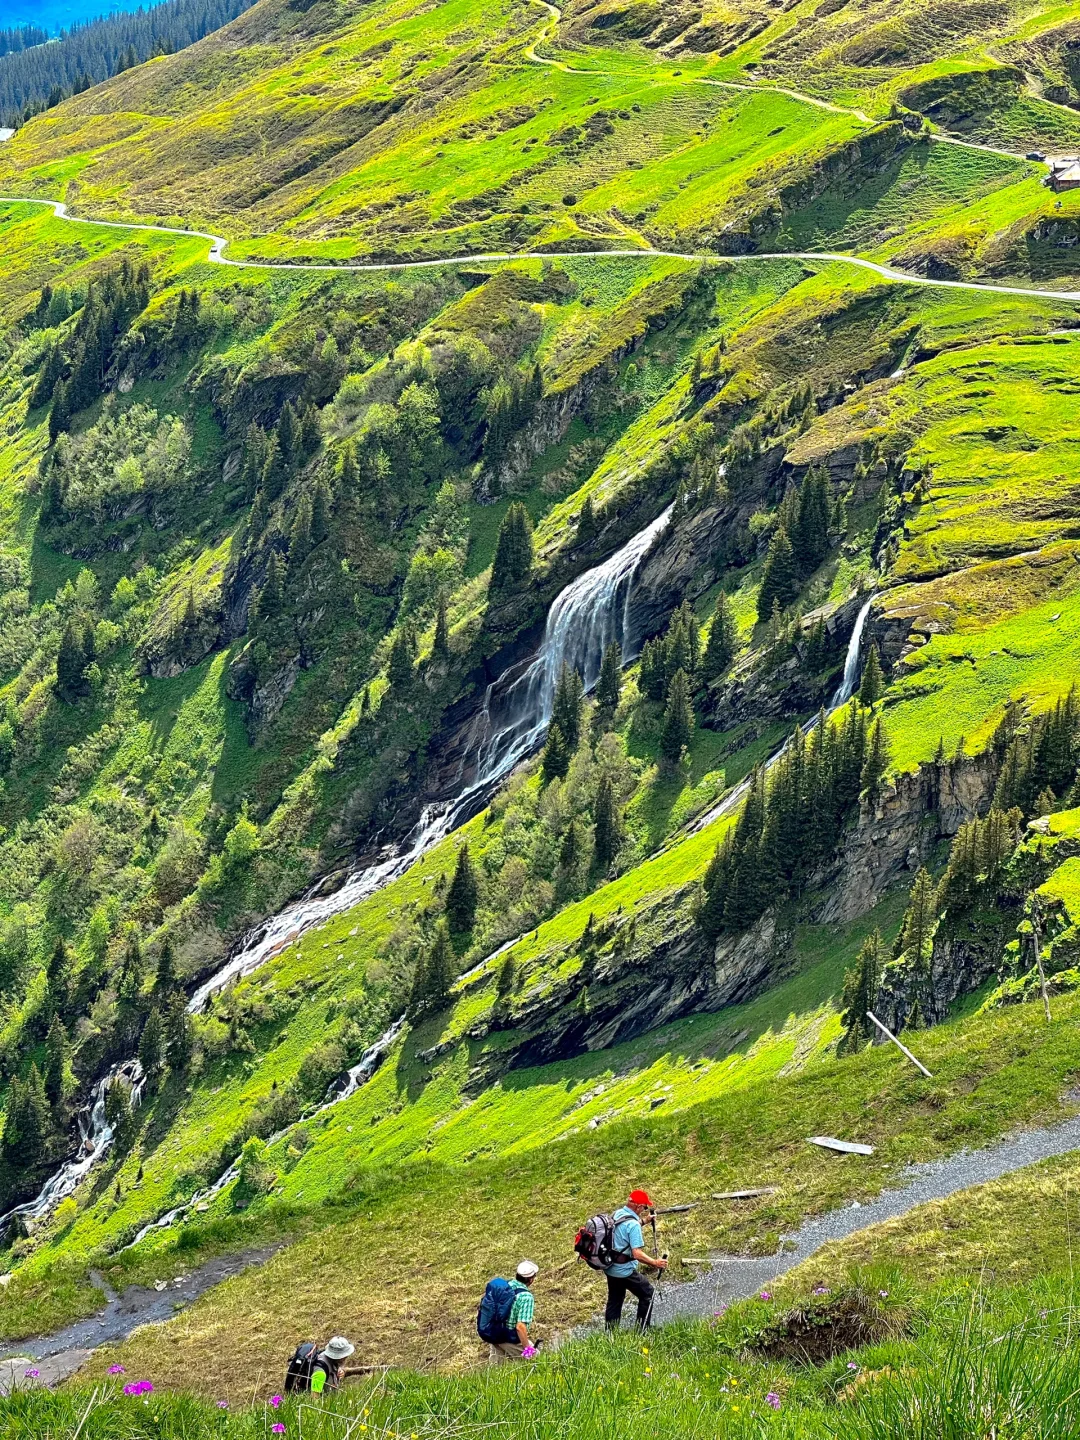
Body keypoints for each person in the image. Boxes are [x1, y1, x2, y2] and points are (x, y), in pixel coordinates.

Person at [604, 1189, 667, 1331]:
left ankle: (610, 1335)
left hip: (610, 1267)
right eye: (644, 1207)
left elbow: (625, 1227)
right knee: (647, 1292)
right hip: (624, 1271)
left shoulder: (618, 1213)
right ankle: (642, 1330)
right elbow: (637, 1253)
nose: (645, 1210)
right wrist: (655, 1263)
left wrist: (645, 1221)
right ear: (638, 1206)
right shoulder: (633, 1225)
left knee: (615, 1299)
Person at [488, 1259, 539, 1362]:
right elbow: (520, 1327)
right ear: (531, 1279)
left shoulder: (504, 1287)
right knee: (536, 1359)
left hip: (493, 1333)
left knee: (497, 1371)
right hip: (509, 1338)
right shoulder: (526, 1297)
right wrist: (528, 1351)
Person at [284, 1336, 360, 1394]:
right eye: (344, 1355)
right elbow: (314, 1399)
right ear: (338, 1356)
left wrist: (339, 1371)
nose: (346, 1357)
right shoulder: (320, 1373)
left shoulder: (328, 1357)